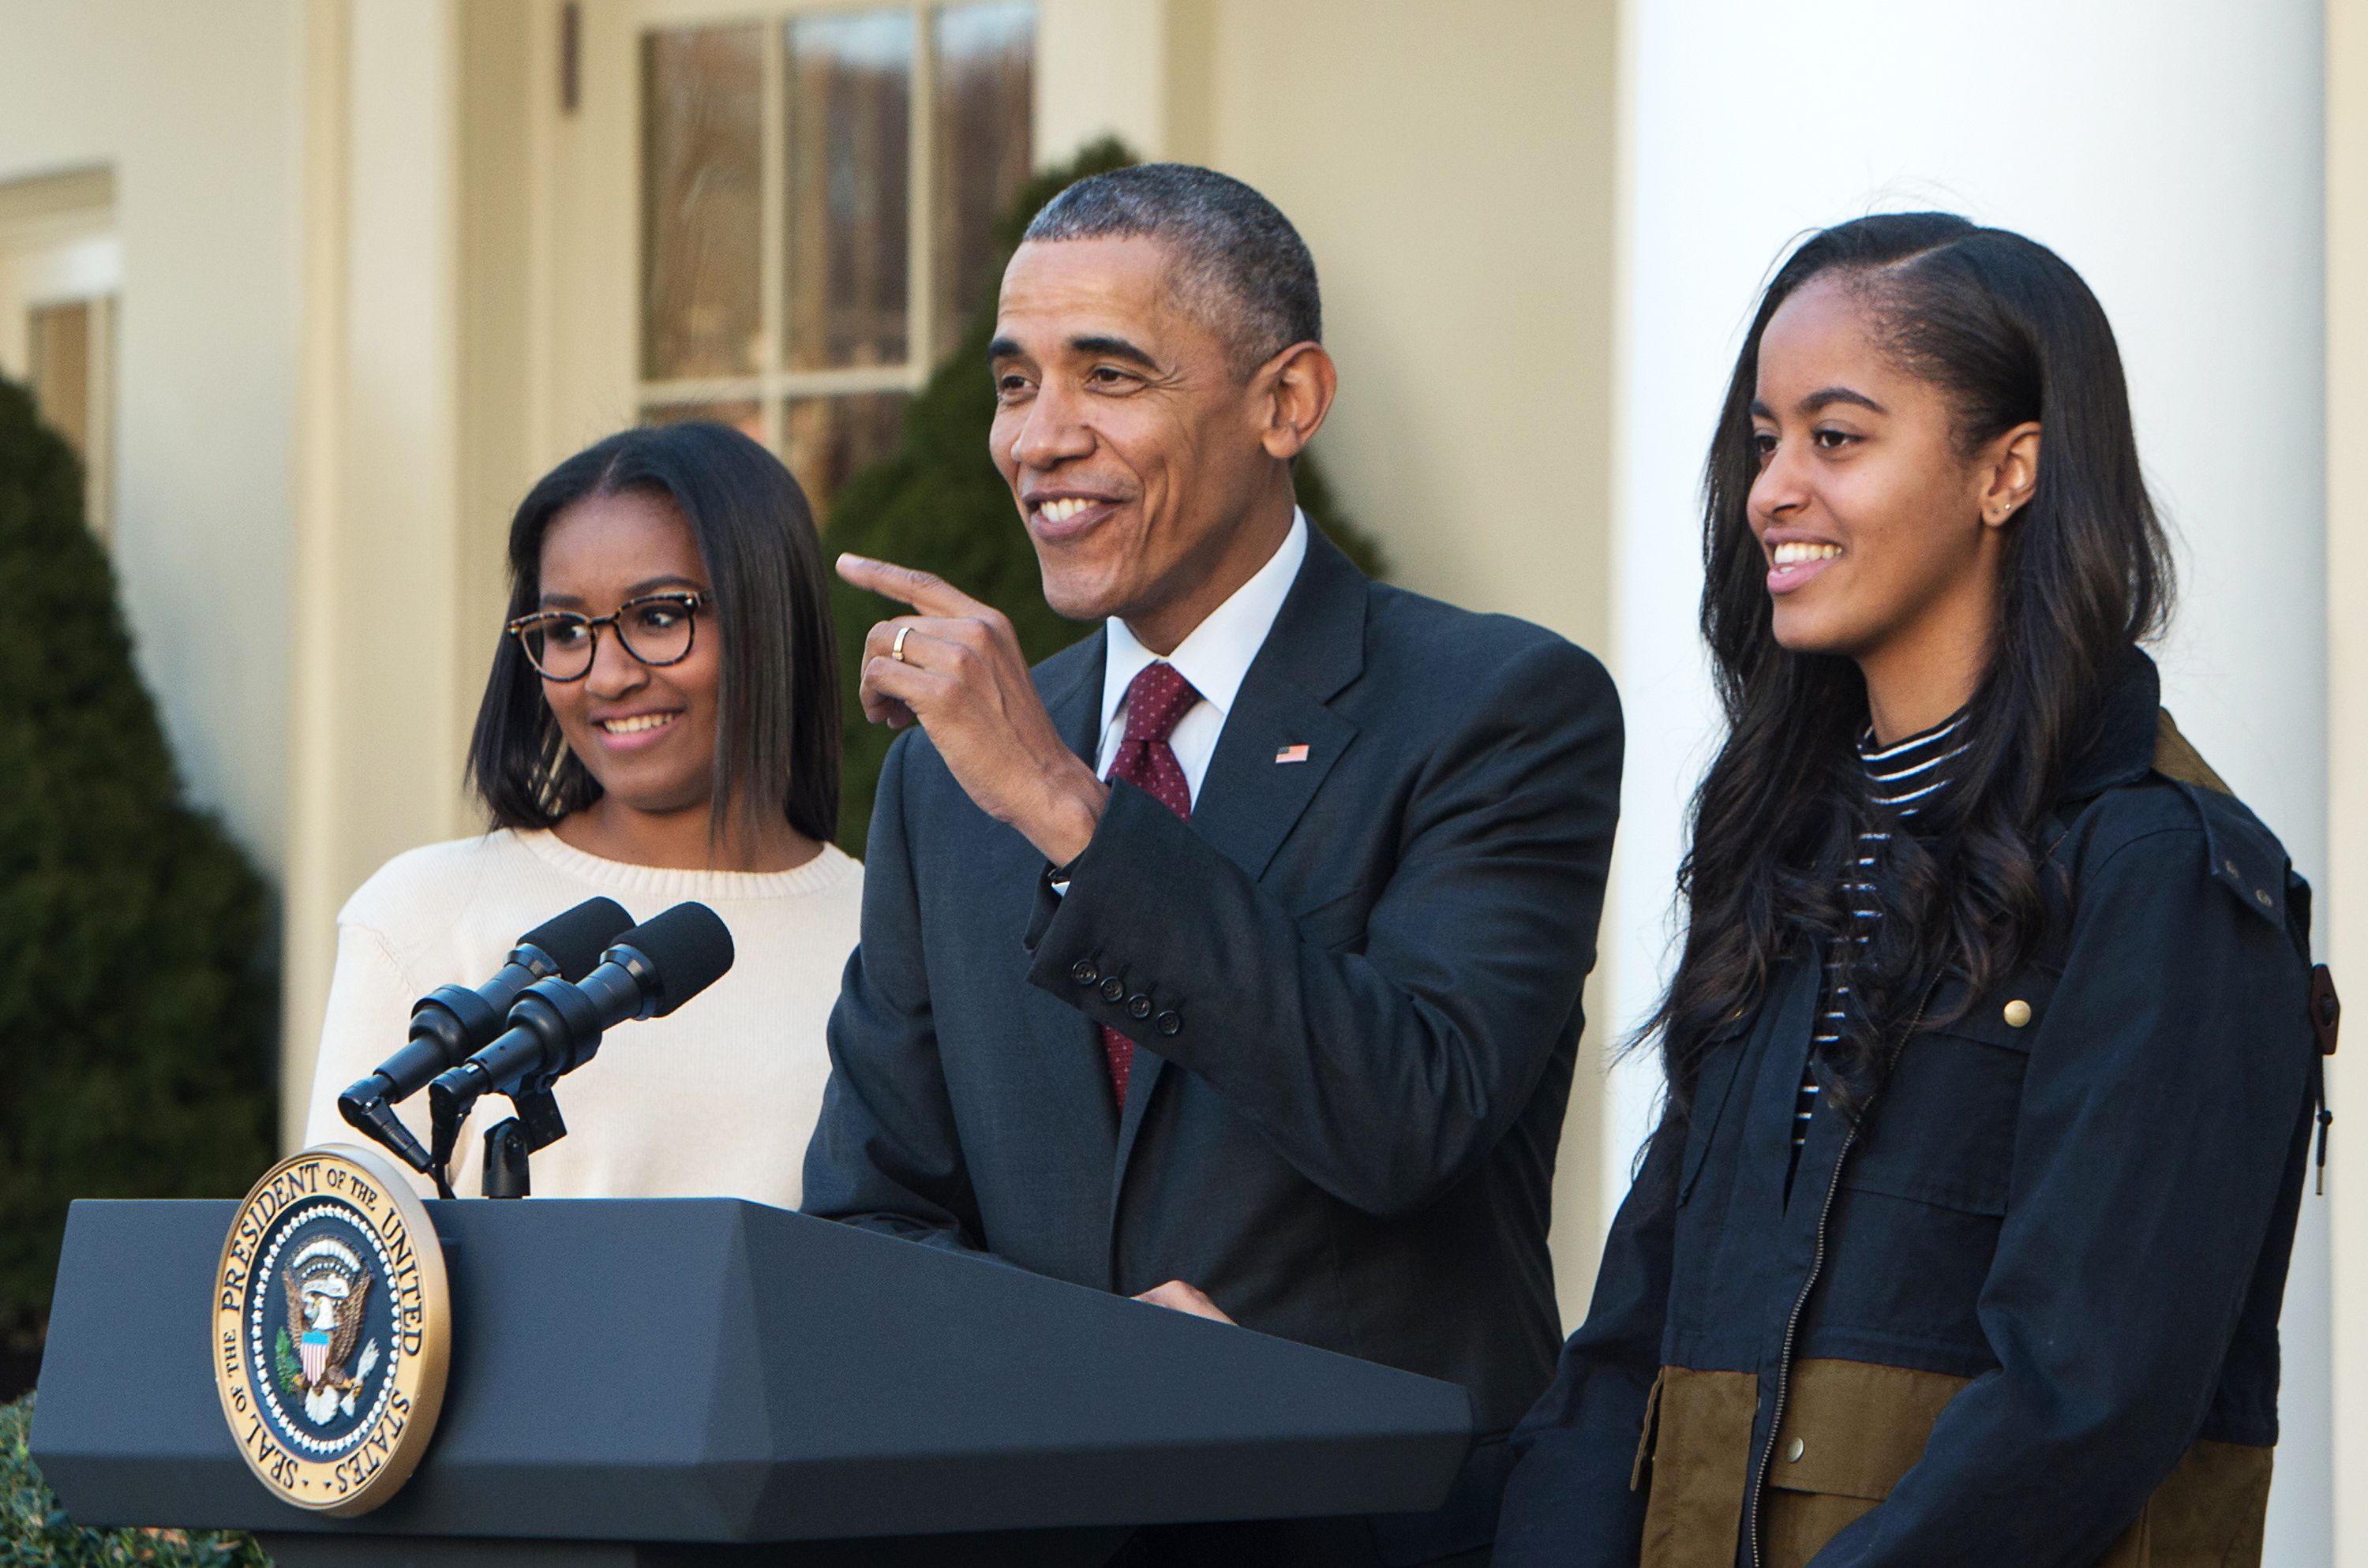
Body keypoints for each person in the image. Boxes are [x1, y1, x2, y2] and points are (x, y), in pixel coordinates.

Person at [801, 163, 1622, 1565]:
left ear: (1287, 402)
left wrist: (1071, 811)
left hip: (1374, 1533)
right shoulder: (949, 776)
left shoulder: (1499, 707)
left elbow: (1411, 1113)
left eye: (1107, 376)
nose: (1037, 440)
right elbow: (872, 1216)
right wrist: (1082, 1373)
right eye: (1013, 383)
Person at [1495, 214, 2330, 1568]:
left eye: (1836, 437)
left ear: (2009, 471)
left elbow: (2087, 1398)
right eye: (1765, 440)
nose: (1771, 488)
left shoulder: (2164, 871)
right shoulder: (1783, 846)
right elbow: (1635, 1336)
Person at [303, 422, 862, 1206]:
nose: (607, 676)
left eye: (660, 617)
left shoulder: (889, 940)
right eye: (566, 630)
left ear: (769, 616)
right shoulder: (425, 913)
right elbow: (336, 1276)